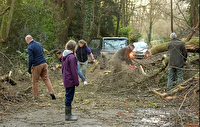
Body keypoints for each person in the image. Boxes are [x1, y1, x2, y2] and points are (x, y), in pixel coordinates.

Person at [25, 35, 56, 100]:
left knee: (35, 81)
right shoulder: (38, 44)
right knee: (46, 79)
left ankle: (35, 96)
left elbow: (31, 58)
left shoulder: (30, 47)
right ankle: (51, 92)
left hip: (37, 65)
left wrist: (29, 67)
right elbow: (42, 52)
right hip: (44, 63)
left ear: (27, 40)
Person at [62, 40, 79, 121]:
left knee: (68, 96)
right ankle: (68, 115)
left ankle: (68, 114)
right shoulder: (71, 57)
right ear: (73, 48)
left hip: (66, 79)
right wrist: (76, 81)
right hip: (70, 80)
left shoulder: (64, 56)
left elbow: (63, 69)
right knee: (69, 97)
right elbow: (74, 71)